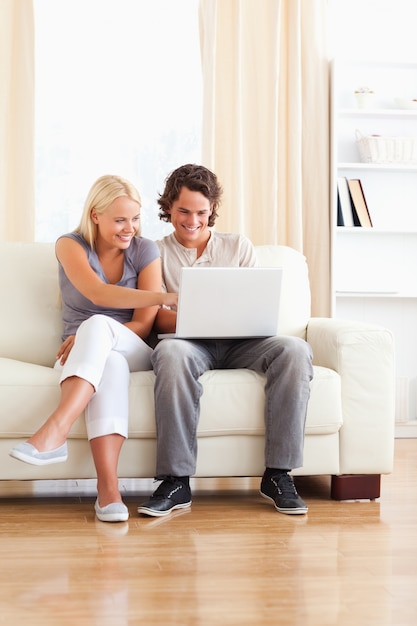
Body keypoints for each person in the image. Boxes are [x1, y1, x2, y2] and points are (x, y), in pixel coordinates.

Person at [137, 164, 314, 518]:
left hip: (242, 341)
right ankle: (176, 480)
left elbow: (256, 305)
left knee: (295, 349)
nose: (192, 220)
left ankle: (278, 474)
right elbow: (156, 316)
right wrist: (194, 315)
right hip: (187, 343)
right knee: (169, 353)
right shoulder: (153, 252)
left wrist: (203, 309)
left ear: (211, 211)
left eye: (201, 212)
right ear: (169, 206)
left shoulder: (238, 246)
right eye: (184, 210)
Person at [9, 174, 177, 523]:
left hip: (133, 347)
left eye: (134, 219)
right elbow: (97, 294)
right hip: (77, 356)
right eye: (120, 220)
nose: (129, 228)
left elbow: (144, 325)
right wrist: (166, 296)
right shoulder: (69, 245)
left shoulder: (146, 250)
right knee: (108, 363)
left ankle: (56, 430)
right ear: (95, 215)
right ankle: (109, 492)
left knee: (100, 328)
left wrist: (95, 331)